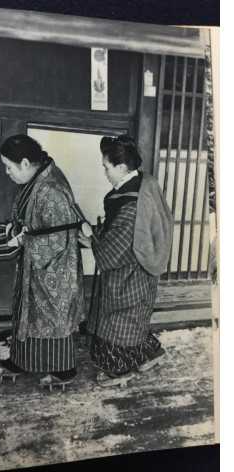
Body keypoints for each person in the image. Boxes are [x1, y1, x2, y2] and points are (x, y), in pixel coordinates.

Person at [0, 134, 85, 390]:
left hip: (53, 268)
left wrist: (21, 242)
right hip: (35, 263)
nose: (8, 172)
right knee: (28, 315)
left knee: (52, 317)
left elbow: (59, 238)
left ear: (27, 163)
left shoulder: (51, 190)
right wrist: (15, 231)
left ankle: (65, 370)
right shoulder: (39, 178)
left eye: (10, 166)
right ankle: (21, 361)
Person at [78, 135, 173, 384]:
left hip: (129, 276)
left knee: (117, 323)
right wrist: (98, 236)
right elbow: (120, 236)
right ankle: (149, 353)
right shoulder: (145, 183)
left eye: (106, 167)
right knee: (135, 321)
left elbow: (110, 254)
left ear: (121, 168)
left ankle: (119, 370)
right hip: (142, 268)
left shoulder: (130, 206)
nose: (105, 172)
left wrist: (91, 240)